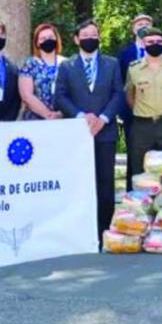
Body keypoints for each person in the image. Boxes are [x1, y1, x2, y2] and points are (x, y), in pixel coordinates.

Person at [54, 19, 126, 242]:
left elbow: (118, 94)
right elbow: (61, 96)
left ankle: (104, 232)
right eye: (85, 35)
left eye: (94, 35)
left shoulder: (111, 63)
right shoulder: (67, 66)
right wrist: (80, 116)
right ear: (76, 39)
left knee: (105, 184)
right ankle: (81, 232)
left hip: (105, 132)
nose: (89, 39)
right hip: (78, 134)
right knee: (80, 184)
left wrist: (103, 118)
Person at [124, 27, 162, 175]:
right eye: (150, 41)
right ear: (144, 44)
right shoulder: (134, 68)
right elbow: (130, 96)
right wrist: (141, 111)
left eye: (159, 41)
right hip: (142, 125)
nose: (155, 44)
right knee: (140, 168)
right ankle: (141, 198)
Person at [116, 13, 153, 188]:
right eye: (139, 23)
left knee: (156, 155)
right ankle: (133, 195)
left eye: (147, 23)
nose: (143, 26)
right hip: (132, 113)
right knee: (134, 154)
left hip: (156, 112)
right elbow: (119, 83)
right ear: (133, 29)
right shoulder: (124, 54)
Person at [19, 23, 65, 121]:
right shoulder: (30, 64)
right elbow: (26, 95)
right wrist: (48, 115)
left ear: (56, 39)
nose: (47, 40)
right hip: (36, 120)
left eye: (50, 37)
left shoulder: (66, 64)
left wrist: (60, 114)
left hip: (63, 119)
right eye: (43, 38)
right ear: (37, 43)